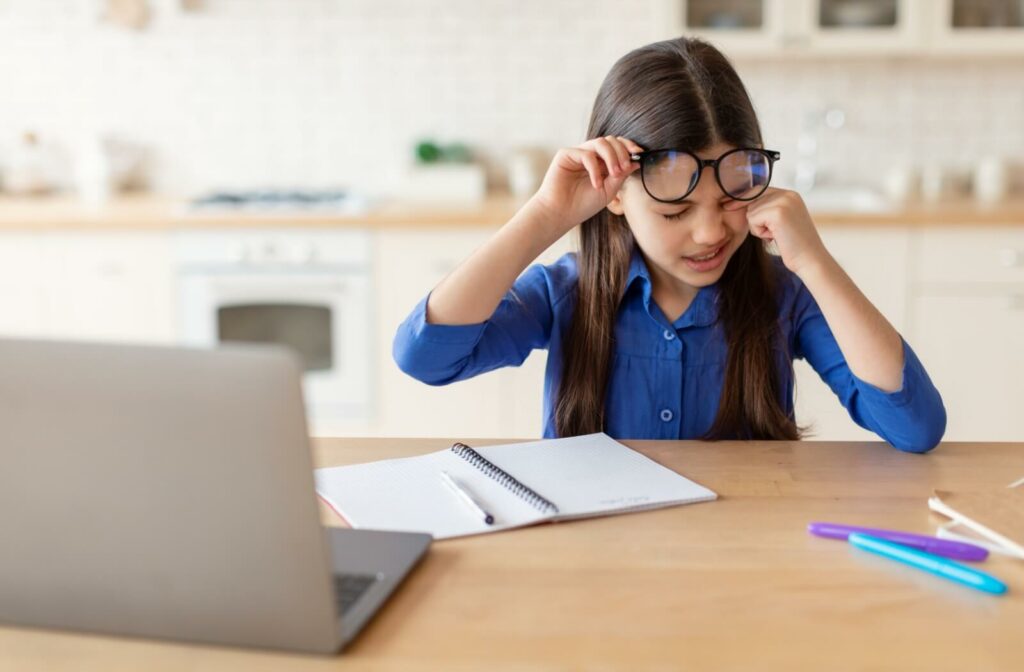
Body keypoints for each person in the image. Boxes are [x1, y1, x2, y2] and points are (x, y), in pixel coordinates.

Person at [392, 36, 946, 452]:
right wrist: (544, 217)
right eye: (675, 211)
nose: (709, 233)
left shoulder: (784, 297)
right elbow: (426, 359)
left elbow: (914, 427)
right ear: (613, 195)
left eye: (730, 200)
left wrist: (815, 263)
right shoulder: (568, 292)